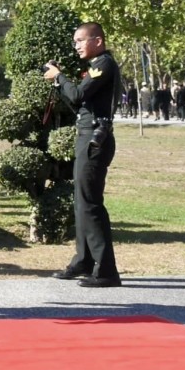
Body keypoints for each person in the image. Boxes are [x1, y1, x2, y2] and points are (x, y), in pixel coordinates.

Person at [43, 22, 121, 288]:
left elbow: (77, 94)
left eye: (80, 40)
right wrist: (58, 82)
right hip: (85, 136)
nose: (76, 45)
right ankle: (84, 260)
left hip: (95, 139)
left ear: (97, 41)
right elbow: (77, 101)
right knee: (81, 203)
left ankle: (106, 270)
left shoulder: (104, 64)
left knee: (90, 203)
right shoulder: (95, 65)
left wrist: (59, 78)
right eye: (74, 40)